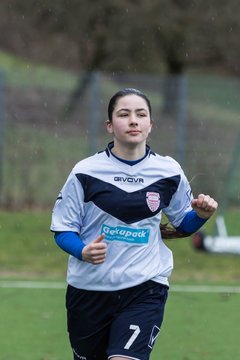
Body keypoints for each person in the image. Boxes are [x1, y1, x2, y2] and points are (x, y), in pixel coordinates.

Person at [50, 88, 218, 360]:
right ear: (109, 125)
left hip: (145, 286)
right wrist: (82, 251)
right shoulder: (85, 172)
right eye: (123, 114)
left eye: (141, 114)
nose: (133, 120)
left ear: (150, 125)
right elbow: (62, 229)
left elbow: (182, 225)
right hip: (89, 291)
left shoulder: (169, 172)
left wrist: (200, 215)